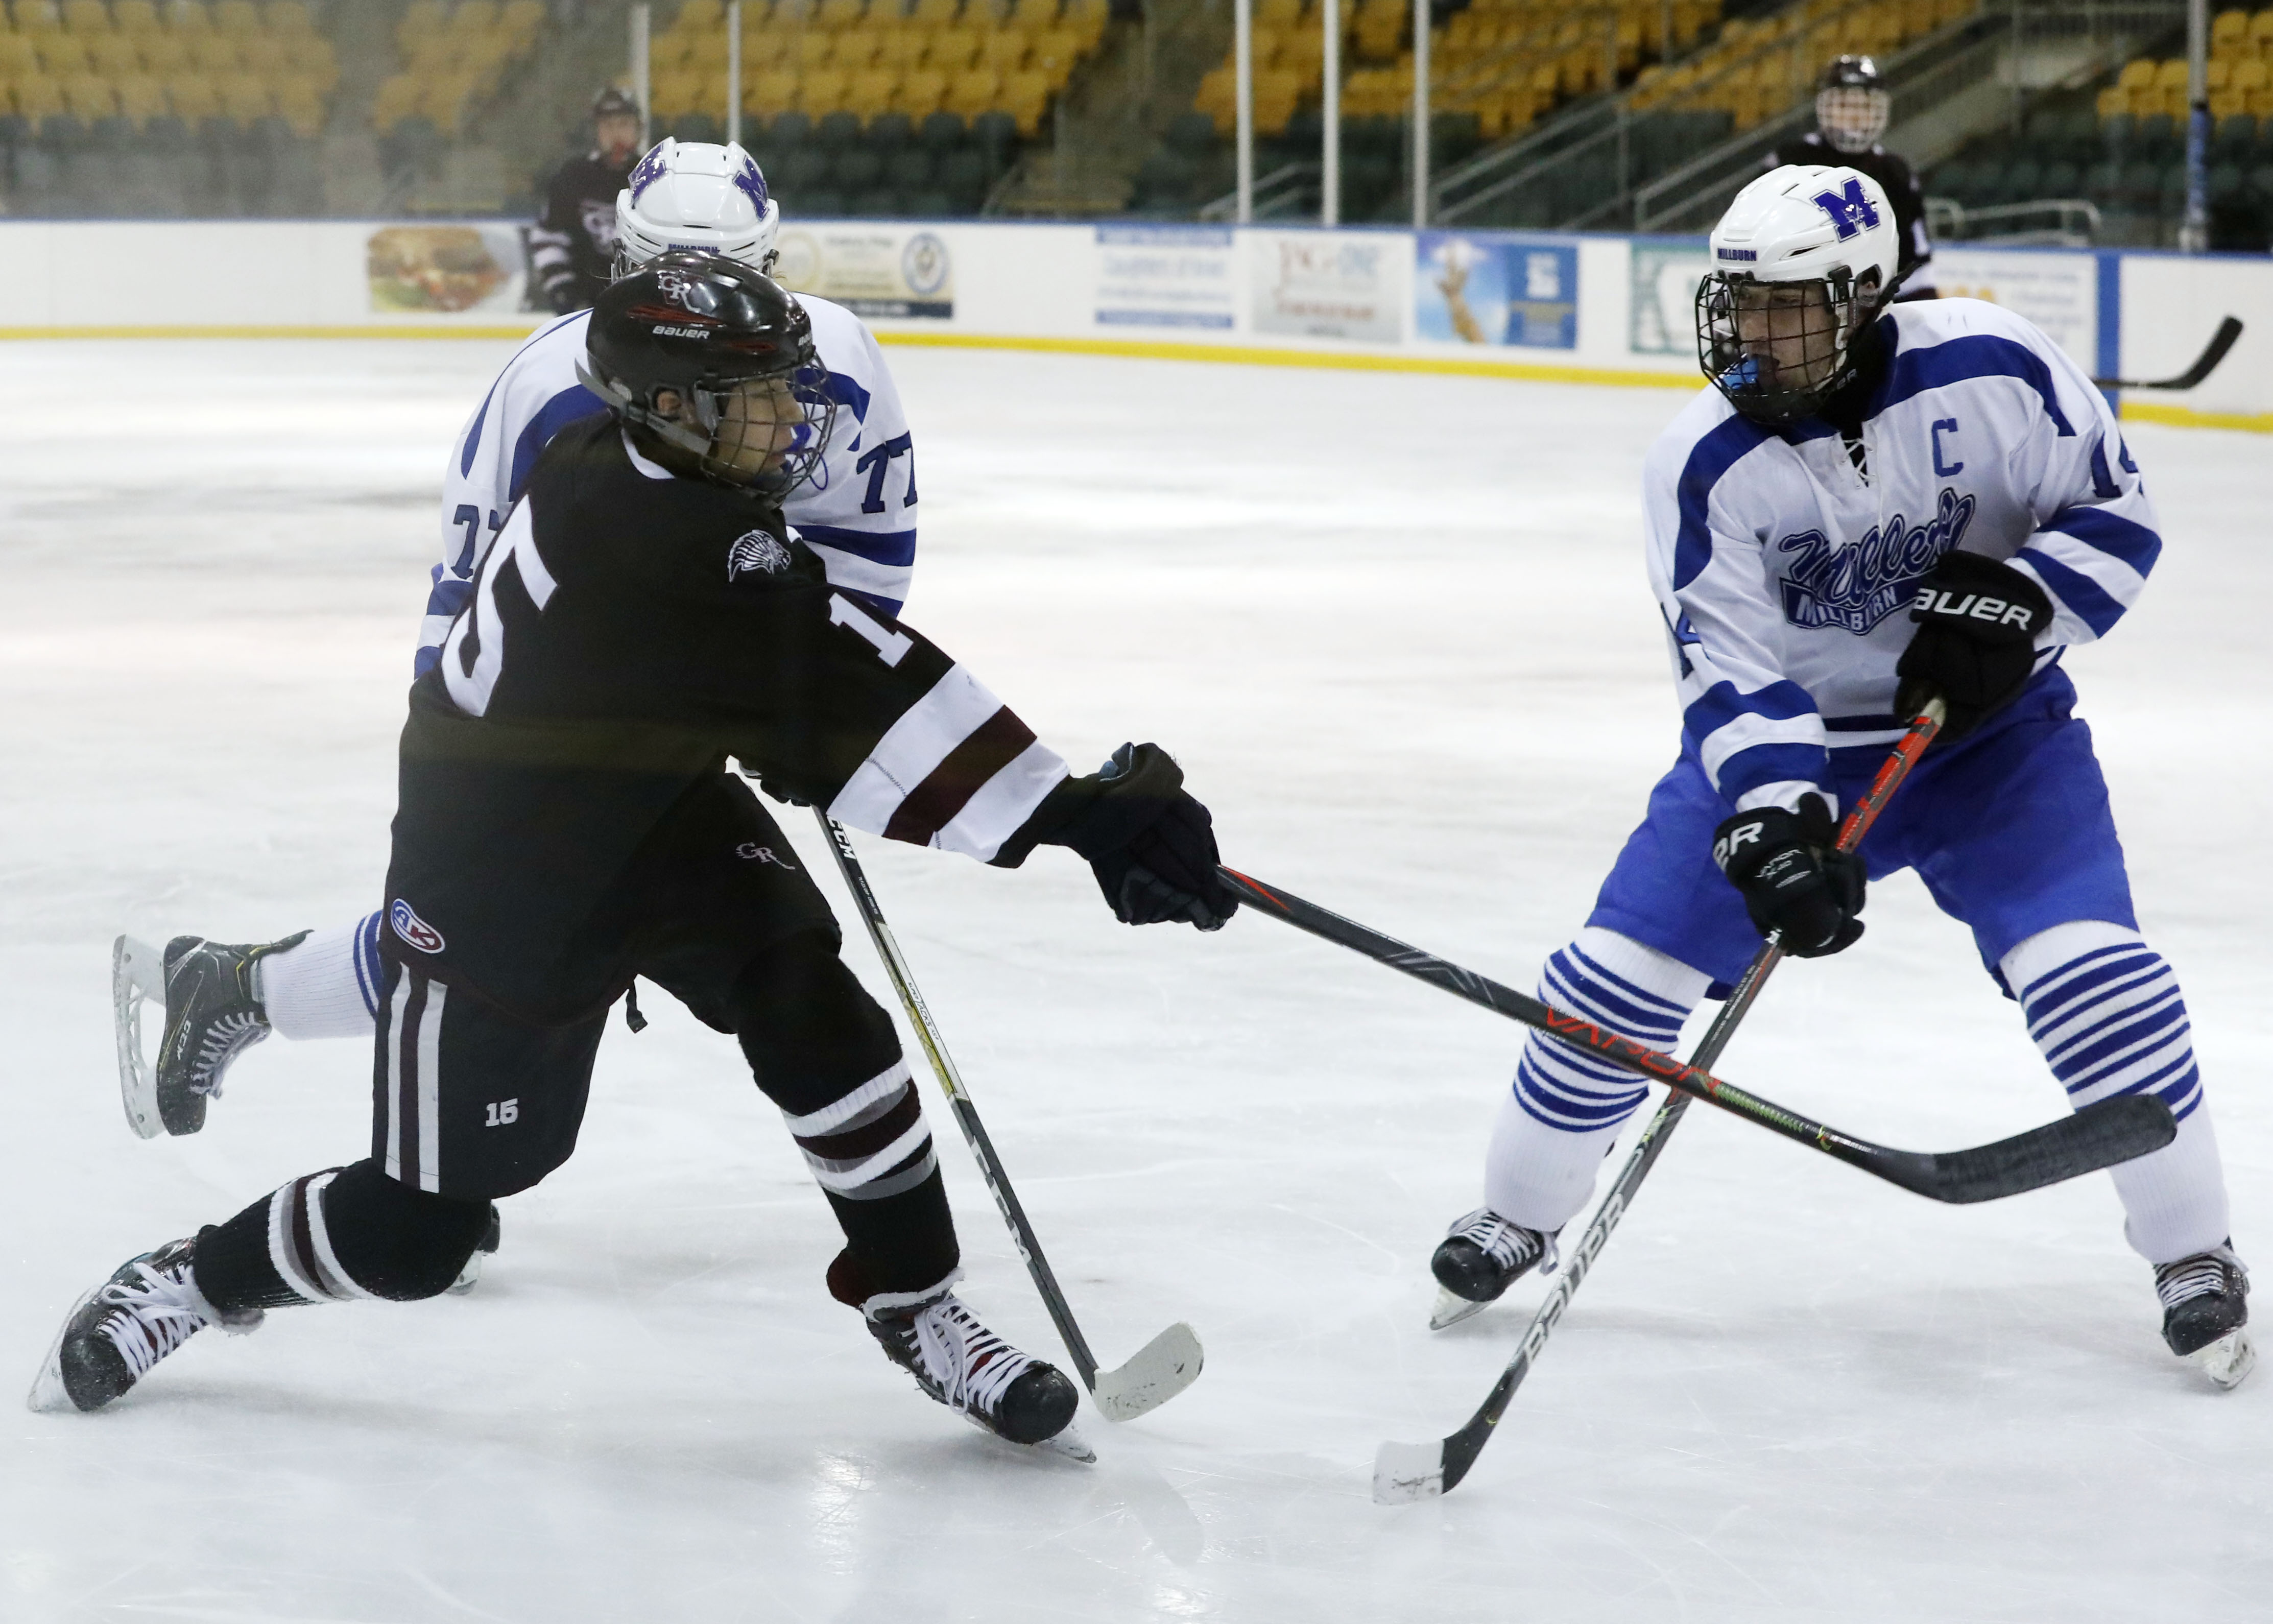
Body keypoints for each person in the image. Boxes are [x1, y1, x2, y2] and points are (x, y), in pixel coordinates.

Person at [32, 256, 1240, 1445]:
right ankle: (188, 1281)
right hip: (500, 858)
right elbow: (845, 688)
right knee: (416, 1236)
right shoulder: (667, 541)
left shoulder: (620, 461)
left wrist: (1047, 800)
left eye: (784, 386)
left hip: (647, 801)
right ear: (668, 406)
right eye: (754, 395)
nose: (788, 419)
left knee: (812, 1006)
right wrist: (1079, 814)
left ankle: (914, 1302)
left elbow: (788, 657)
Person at [1424, 164, 2252, 1389]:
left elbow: (2115, 515)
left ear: (1860, 296)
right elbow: (1728, 674)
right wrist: (1770, 829)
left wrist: (2018, 608)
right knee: (1604, 986)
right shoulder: (1697, 465)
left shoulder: (1993, 367)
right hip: (1803, 747)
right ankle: (1518, 1212)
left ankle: (2192, 1253)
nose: (1749, 334)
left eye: (1784, 308)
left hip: (1991, 742)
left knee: (2096, 980)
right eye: (1735, 305)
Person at [113, 139, 918, 1208]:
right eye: (659, 271)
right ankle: (266, 1017)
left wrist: (795, 692)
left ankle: (239, 992)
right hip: (549, 722)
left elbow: (867, 543)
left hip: (692, 708)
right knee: (481, 939)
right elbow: (467, 582)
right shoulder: (549, 385)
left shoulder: (840, 363)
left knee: (594, 942)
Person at [1764, 56, 1936, 300]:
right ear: (1825, 107)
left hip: (1875, 306)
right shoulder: (1789, 162)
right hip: (1801, 300)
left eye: (1865, 107)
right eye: (1845, 106)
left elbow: (1916, 260)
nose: (1855, 117)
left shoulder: (1896, 172)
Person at [530, 87, 645, 315]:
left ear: (638, 129)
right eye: (608, 126)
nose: (616, 134)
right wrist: (562, 288)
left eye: (624, 124)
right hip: (585, 306)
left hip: (642, 305)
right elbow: (548, 238)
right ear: (595, 131)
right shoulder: (574, 177)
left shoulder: (653, 177)